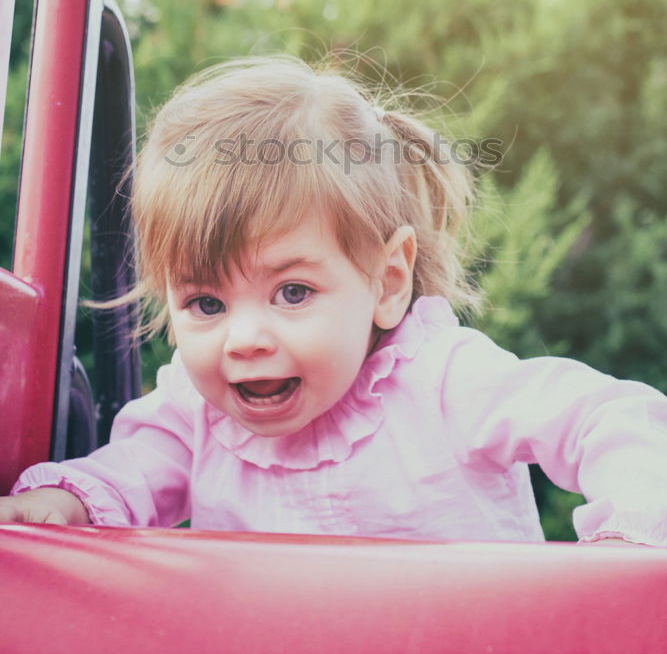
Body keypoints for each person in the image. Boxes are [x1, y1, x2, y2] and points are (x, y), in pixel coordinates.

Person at [2, 56, 666, 544]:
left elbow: (607, 419)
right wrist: (66, 500)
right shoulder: (193, 415)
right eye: (206, 303)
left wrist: (631, 535)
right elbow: (126, 473)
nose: (245, 338)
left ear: (386, 281)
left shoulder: (444, 382)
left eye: (292, 292)